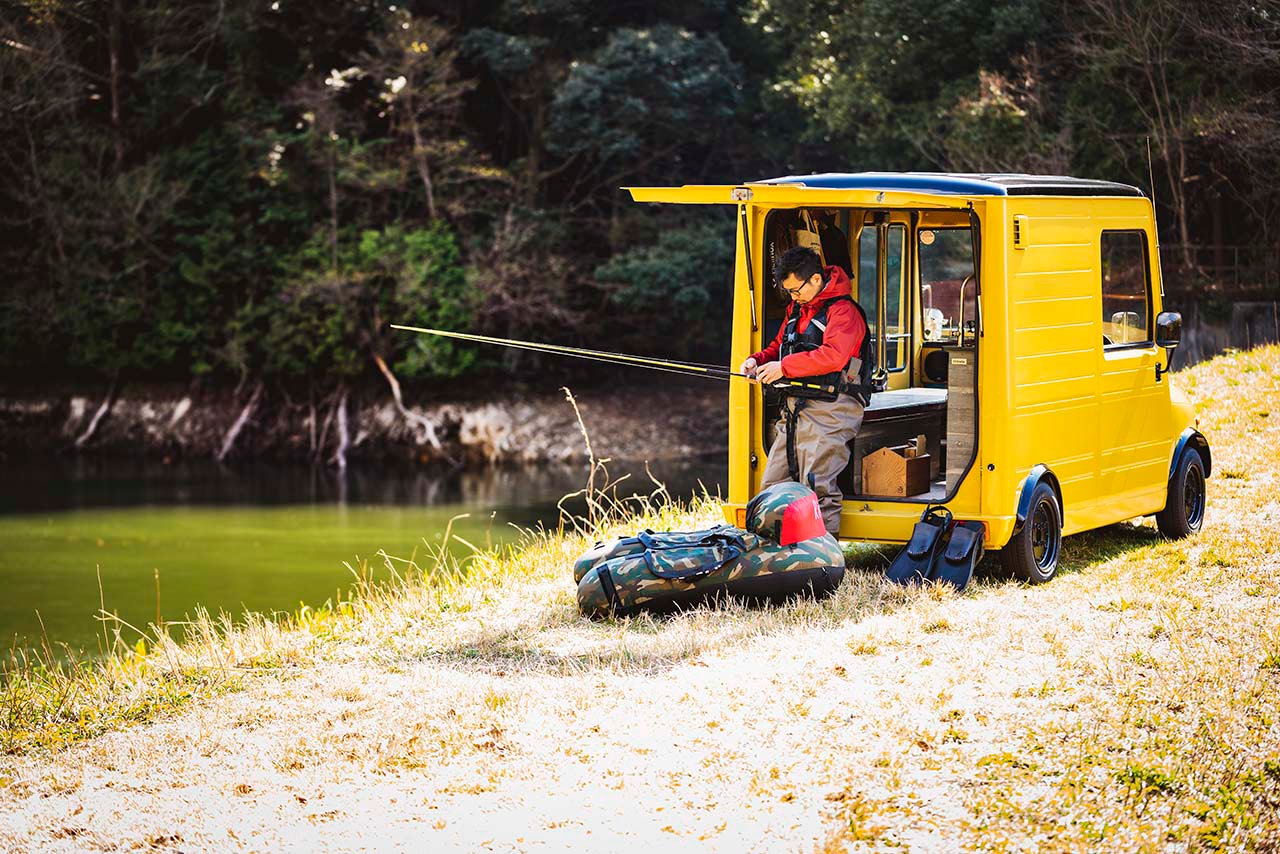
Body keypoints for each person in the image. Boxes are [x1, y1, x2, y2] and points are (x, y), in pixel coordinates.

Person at [741, 246, 872, 537]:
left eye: (796, 290)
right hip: (795, 410)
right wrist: (759, 360)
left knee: (818, 489)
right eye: (788, 292)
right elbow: (779, 346)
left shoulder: (845, 312)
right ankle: (772, 557)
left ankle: (821, 563)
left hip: (832, 409)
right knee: (772, 487)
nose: (793, 297)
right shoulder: (797, 309)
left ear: (815, 279)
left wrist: (783, 368)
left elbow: (833, 357)